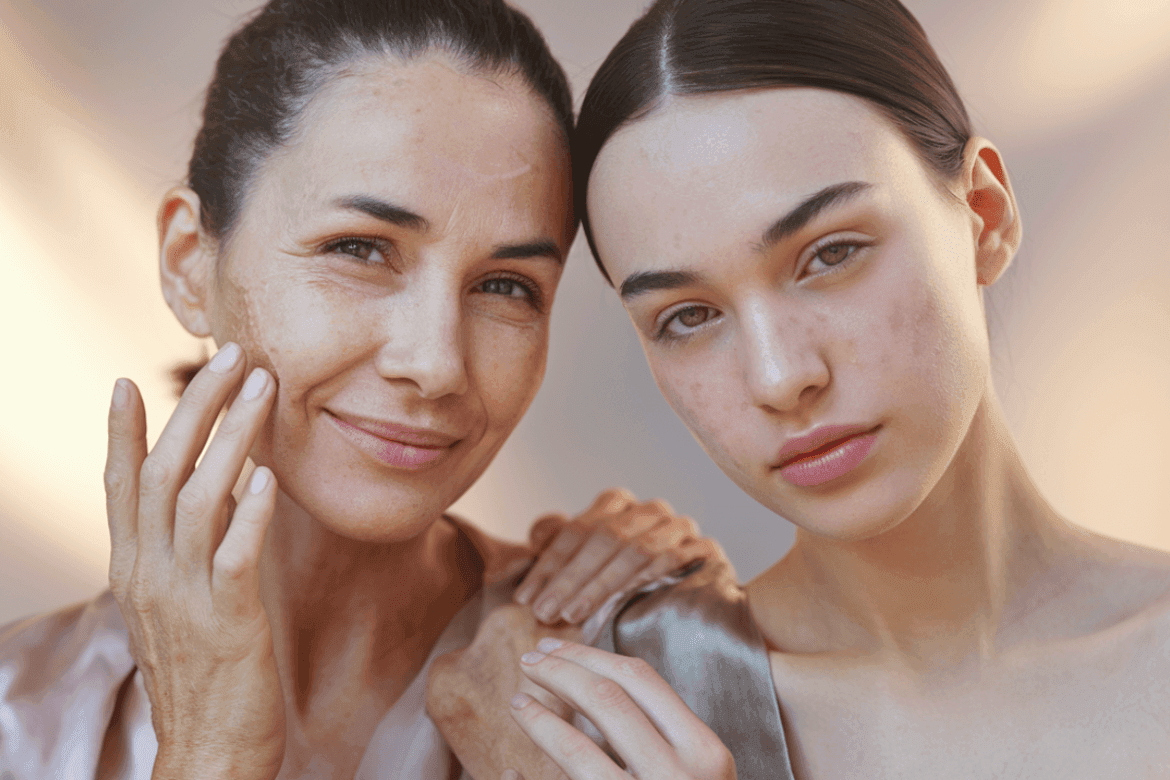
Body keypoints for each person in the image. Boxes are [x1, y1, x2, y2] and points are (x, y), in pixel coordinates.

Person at [428, 0, 1170, 778]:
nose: (782, 378)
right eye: (688, 316)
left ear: (984, 215)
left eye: (831, 253)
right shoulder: (600, 716)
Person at [0, 1, 724, 778]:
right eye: (360, 248)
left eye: (507, 286)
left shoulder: (655, 672)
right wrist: (210, 754)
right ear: (188, 262)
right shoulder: (20, 710)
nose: (437, 363)